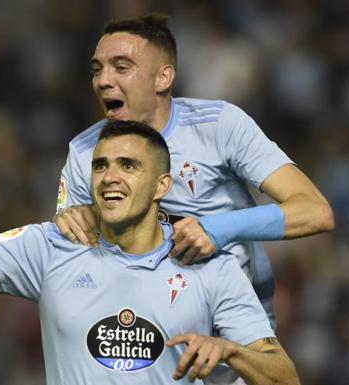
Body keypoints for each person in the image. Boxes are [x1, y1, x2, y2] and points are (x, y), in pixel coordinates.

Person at [0, 99, 301, 385]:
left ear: (163, 184)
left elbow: (283, 377)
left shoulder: (210, 265)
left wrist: (230, 351)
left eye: (128, 165)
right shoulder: (50, 247)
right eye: (100, 165)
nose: (110, 176)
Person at [55, 15, 334, 329]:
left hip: (237, 340)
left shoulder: (219, 125)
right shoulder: (82, 152)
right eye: (97, 69)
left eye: (121, 67)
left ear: (163, 78)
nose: (103, 80)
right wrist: (68, 221)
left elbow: (315, 211)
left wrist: (217, 229)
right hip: (145, 340)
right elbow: (73, 265)